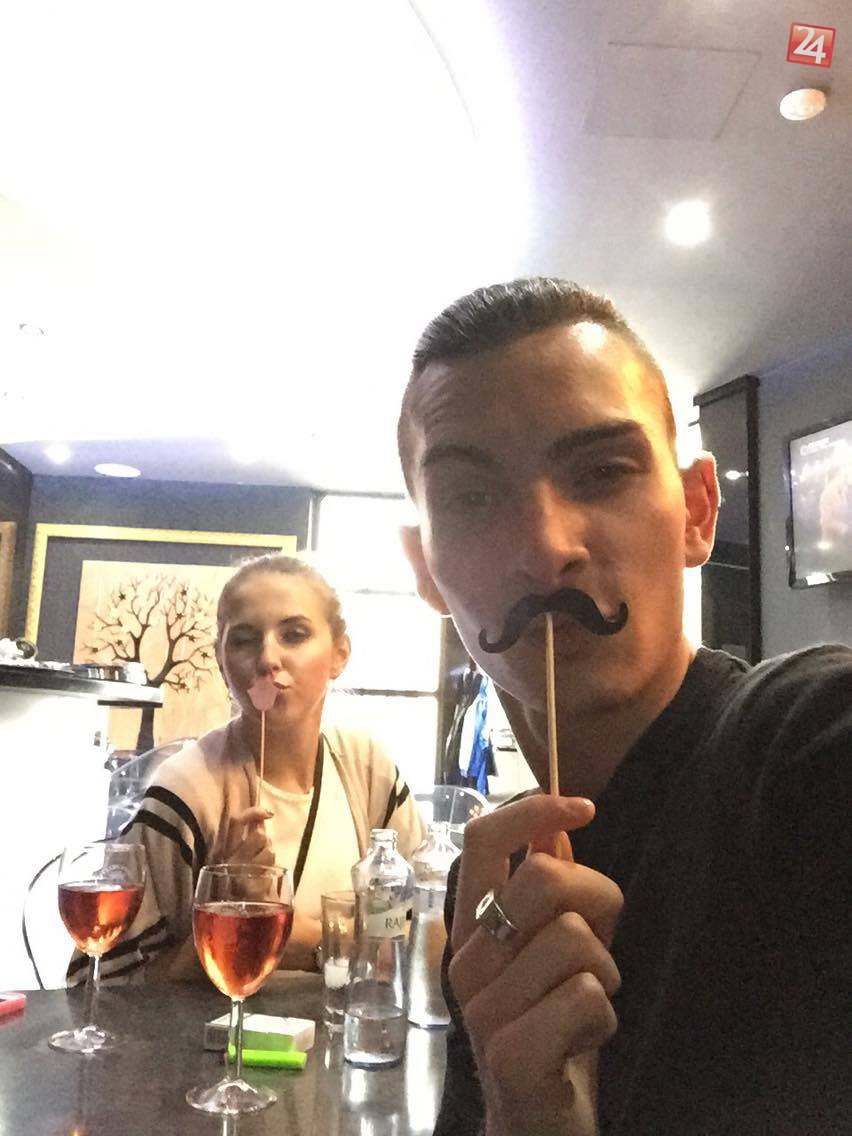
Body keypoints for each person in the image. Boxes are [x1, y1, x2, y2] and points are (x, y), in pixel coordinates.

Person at [397, 278, 851, 1136]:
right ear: (425, 569)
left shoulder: (805, 752)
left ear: (697, 512)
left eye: (603, 472)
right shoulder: (496, 884)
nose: (545, 549)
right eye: (471, 496)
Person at [69, 553, 423, 984]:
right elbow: (104, 984)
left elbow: (419, 938)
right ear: (221, 661)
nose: (268, 658)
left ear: (339, 654)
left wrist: (299, 935)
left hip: (348, 1026)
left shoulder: (370, 771)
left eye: (294, 635)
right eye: (243, 640)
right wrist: (228, 913)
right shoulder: (185, 792)